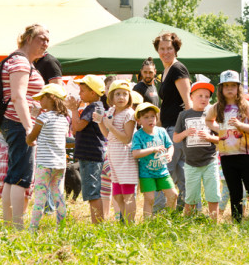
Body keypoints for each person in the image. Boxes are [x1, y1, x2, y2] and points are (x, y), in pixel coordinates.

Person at [1, 24, 49, 229]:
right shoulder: (20, 62)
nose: (46, 43)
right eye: (41, 38)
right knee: (21, 177)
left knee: (12, 175)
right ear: (28, 38)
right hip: (19, 124)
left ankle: (9, 223)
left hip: (14, 123)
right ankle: (18, 226)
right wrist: (29, 127)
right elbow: (18, 96)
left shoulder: (18, 60)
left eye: (48, 40)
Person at [208, 70, 249, 223]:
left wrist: (241, 125)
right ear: (221, 89)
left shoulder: (245, 106)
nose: (229, 89)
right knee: (235, 194)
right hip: (227, 157)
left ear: (238, 88)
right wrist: (219, 130)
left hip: (247, 156)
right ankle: (237, 225)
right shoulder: (217, 107)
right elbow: (208, 120)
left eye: (233, 85)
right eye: (226, 85)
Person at [25, 83, 71, 231]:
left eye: (42, 98)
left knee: (40, 197)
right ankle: (61, 227)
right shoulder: (64, 119)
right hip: (59, 163)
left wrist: (29, 133)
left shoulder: (43, 117)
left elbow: (31, 137)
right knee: (58, 195)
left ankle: (33, 228)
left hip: (44, 164)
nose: (40, 101)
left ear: (50, 98)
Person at [175, 81, 222, 221]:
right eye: (200, 95)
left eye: (207, 96)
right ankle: (187, 223)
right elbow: (176, 138)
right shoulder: (183, 115)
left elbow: (223, 137)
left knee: (213, 196)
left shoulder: (213, 114)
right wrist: (185, 133)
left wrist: (209, 137)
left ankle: (214, 224)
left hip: (210, 161)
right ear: (191, 97)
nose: (203, 99)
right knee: (191, 198)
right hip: (191, 164)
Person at [154, 32, 191, 206]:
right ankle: (187, 210)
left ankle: (159, 212)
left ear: (176, 49)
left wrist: (188, 131)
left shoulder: (178, 68)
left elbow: (188, 102)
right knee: (179, 171)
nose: (166, 52)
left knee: (164, 169)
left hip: (178, 127)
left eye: (169, 48)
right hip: (168, 127)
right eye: (162, 48)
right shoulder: (166, 70)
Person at [70, 75, 109, 224]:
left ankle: (98, 225)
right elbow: (76, 130)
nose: (80, 94)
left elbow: (77, 126)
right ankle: (97, 223)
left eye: (82, 91)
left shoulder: (93, 106)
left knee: (93, 192)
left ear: (93, 93)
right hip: (92, 154)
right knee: (92, 191)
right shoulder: (96, 106)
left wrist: (74, 109)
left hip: (91, 154)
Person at [99, 80, 138, 223]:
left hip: (125, 155)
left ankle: (130, 223)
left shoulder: (130, 114)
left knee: (127, 194)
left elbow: (127, 139)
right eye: (117, 94)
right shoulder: (110, 111)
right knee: (117, 195)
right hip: (113, 154)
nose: (121, 97)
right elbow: (107, 135)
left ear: (129, 97)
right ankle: (124, 221)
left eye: (124, 94)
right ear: (111, 97)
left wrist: (111, 126)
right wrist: (100, 123)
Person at [130, 103, 179, 218]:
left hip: (162, 172)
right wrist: (152, 149)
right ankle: (147, 223)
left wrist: (169, 154)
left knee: (173, 195)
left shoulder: (161, 131)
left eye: (152, 116)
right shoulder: (138, 135)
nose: (150, 119)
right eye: (146, 117)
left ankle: (169, 219)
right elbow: (135, 153)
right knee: (150, 199)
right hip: (147, 174)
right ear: (139, 121)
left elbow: (170, 146)